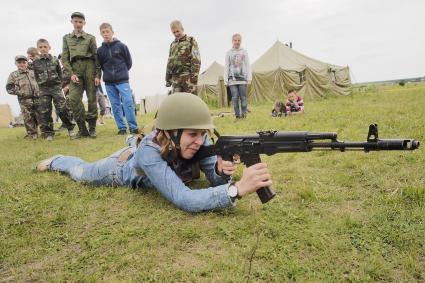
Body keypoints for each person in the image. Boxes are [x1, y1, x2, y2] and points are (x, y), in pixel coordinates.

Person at [36, 93, 272, 213]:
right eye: (192, 134)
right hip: (121, 168)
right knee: (82, 172)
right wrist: (236, 190)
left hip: (148, 150)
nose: (200, 141)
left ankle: (131, 139)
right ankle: (58, 160)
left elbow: (214, 178)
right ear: (171, 132)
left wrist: (221, 172)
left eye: (203, 134)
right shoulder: (151, 152)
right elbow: (185, 199)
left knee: (137, 144)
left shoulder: (202, 140)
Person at [62, 12, 101, 139]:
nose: (78, 24)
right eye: (76, 21)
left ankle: (92, 127)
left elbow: (96, 57)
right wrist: (70, 74)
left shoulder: (90, 38)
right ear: (72, 22)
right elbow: (65, 58)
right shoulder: (66, 38)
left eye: (80, 22)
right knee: (73, 99)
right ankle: (82, 129)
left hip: (89, 67)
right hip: (75, 69)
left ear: (84, 23)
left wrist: (97, 75)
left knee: (91, 99)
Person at [97, 22, 139, 135]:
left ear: (112, 32)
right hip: (109, 83)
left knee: (128, 102)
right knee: (115, 106)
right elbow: (100, 66)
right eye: (103, 32)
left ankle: (133, 127)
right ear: (101, 34)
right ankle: (122, 128)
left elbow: (129, 62)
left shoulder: (122, 46)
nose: (105, 34)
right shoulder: (100, 50)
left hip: (122, 80)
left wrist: (122, 72)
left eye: (107, 32)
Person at [33, 38, 76, 140]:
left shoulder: (55, 60)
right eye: (40, 47)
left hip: (56, 88)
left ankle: (70, 128)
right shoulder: (36, 62)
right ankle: (49, 133)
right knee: (45, 111)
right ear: (37, 49)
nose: (43, 49)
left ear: (49, 48)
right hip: (43, 89)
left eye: (45, 47)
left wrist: (58, 85)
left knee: (62, 109)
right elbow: (35, 75)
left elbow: (60, 74)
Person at [6, 55, 41, 140]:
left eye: (24, 62)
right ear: (16, 63)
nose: (22, 64)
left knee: (40, 116)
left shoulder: (32, 72)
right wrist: (20, 93)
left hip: (37, 98)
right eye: (19, 62)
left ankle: (44, 133)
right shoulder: (13, 75)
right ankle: (32, 135)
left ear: (27, 63)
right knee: (28, 117)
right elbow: (9, 88)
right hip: (24, 100)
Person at [165, 20, 201, 94]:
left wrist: (194, 77)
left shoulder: (190, 41)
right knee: (177, 102)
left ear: (182, 29)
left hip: (187, 77)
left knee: (190, 102)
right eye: (174, 32)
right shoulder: (172, 45)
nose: (176, 34)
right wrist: (168, 79)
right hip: (175, 79)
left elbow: (196, 59)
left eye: (178, 31)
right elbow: (169, 62)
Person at [224, 34, 252, 119]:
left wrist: (249, 78)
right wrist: (226, 80)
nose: (237, 42)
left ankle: (244, 115)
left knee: (243, 97)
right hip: (232, 79)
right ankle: (237, 116)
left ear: (241, 41)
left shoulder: (244, 52)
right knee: (235, 98)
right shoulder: (228, 53)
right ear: (232, 41)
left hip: (242, 79)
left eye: (239, 40)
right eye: (235, 40)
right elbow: (226, 66)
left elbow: (248, 65)